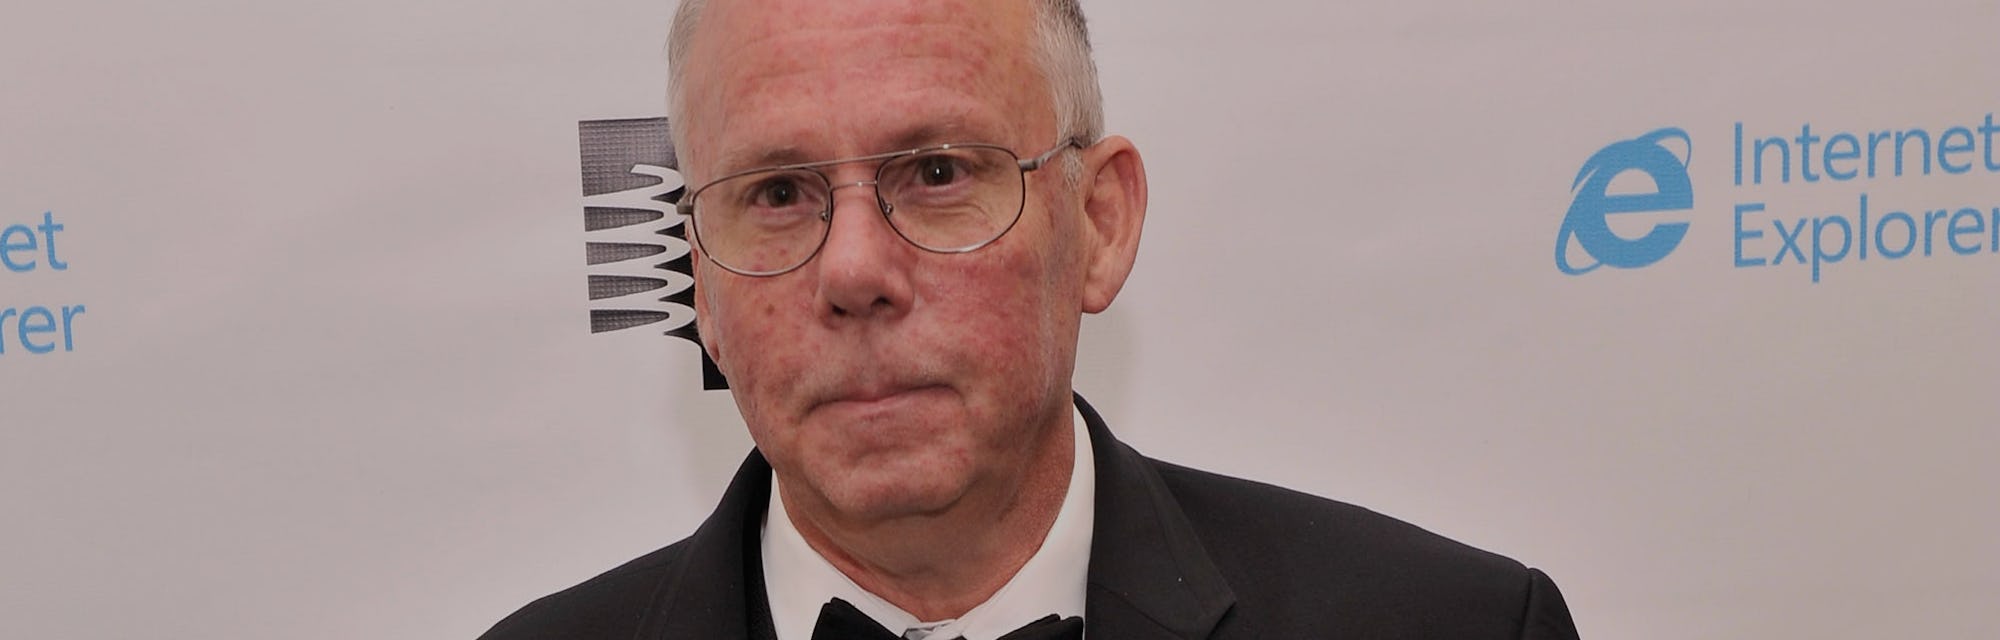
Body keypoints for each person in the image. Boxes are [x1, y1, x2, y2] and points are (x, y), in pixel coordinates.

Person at [483, 0, 1582, 637]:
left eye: (936, 171)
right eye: (775, 194)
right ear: (702, 285)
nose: (854, 270)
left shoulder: (1454, 630)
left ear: (1096, 223)